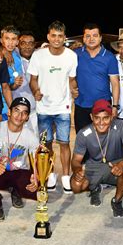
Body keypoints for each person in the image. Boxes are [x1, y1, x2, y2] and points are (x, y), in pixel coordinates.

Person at [27, 20, 78, 193]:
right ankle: (49, 174)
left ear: (64, 37)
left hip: (62, 107)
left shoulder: (71, 56)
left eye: (60, 36)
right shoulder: (38, 55)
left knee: (64, 143)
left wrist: (74, 90)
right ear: (48, 36)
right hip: (43, 108)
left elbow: (71, 80)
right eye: (53, 36)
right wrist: (36, 91)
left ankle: (65, 176)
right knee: (46, 144)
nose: (56, 39)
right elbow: (33, 79)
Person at [70, 99, 123, 217]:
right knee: (76, 186)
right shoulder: (84, 133)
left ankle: (117, 201)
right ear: (91, 117)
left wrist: (121, 165)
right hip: (95, 166)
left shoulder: (121, 126)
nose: (101, 122)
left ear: (111, 117)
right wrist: (77, 171)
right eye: (97, 118)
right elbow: (76, 160)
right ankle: (95, 188)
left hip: (115, 166)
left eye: (105, 118)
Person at [0, 97, 39, 220]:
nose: (19, 115)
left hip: (18, 172)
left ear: (27, 117)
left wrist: (36, 176)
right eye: (16, 110)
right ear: (9, 112)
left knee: (36, 184)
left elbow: (37, 161)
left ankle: (16, 190)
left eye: (24, 112)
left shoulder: (31, 137)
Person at [74, 23, 120, 133]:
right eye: (88, 36)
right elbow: (68, 75)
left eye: (95, 35)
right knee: (83, 139)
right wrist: (72, 88)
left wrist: (115, 106)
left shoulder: (109, 57)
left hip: (103, 106)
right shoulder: (75, 55)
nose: (91, 39)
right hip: (81, 105)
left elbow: (115, 83)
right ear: (83, 38)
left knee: (103, 141)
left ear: (100, 38)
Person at [0, 25, 23, 120]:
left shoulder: (17, 60)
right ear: (1, 40)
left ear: (17, 42)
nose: (10, 42)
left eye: (13, 39)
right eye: (7, 38)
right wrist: (2, 50)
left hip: (6, 107)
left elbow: (11, 86)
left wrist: (16, 84)